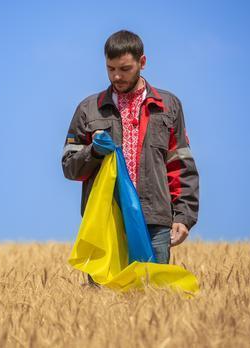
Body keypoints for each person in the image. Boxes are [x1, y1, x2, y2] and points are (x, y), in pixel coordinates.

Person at [62, 30, 199, 285]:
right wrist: (93, 152)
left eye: (124, 68)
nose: (116, 76)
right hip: (106, 224)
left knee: (154, 303)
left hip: (155, 222)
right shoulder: (87, 109)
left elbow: (180, 165)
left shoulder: (169, 106)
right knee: (102, 308)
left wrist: (183, 216)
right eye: (110, 68)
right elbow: (70, 168)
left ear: (142, 62)